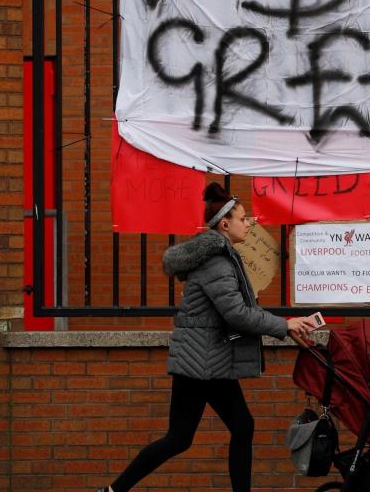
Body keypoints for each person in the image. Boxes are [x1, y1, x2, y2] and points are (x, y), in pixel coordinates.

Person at [96, 182, 320, 492]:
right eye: (243, 218)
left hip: (210, 361)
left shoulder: (223, 257)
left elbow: (241, 309)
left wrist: (289, 325)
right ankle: (113, 490)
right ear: (225, 224)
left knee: (238, 427)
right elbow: (238, 314)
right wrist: (285, 325)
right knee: (180, 439)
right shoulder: (216, 262)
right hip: (199, 364)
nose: (250, 223)